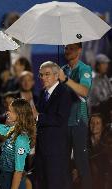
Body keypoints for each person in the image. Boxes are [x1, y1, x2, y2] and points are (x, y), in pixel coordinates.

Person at [32, 61, 72, 189]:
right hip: (42, 149)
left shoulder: (64, 92)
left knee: (55, 184)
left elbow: (60, 119)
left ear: (56, 75)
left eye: (47, 74)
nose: (43, 78)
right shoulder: (43, 93)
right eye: (41, 75)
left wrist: (38, 116)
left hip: (56, 151)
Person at [59, 42, 93, 189]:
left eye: (71, 48)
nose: (67, 51)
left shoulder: (84, 69)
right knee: (63, 163)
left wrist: (65, 80)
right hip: (63, 122)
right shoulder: (62, 70)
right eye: (66, 47)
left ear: (79, 50)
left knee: (81, 163)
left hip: (79, 121)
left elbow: (84, 91)